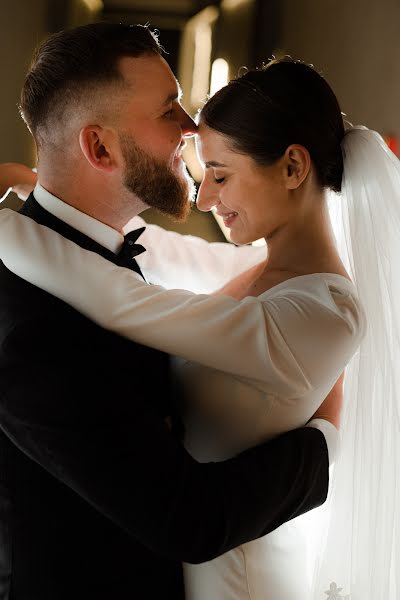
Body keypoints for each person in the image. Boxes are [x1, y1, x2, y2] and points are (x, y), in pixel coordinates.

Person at [0, 26, 368, 600]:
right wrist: (325, 446)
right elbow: (182, 518)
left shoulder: (109, 259)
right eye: (169, 108)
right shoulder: (33, 326)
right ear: (100, 149)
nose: (191, 126)